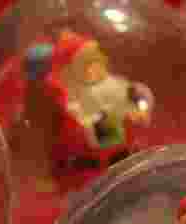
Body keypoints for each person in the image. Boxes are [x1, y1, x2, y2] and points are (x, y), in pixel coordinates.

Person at [39, 30, 154, 183]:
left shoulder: (113, 83)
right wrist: (118, 119)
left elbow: (136, 95)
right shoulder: (76, 100)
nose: (97, 65)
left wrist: (139, 109)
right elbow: (87, 127)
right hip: (97, 163)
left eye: (97, 58)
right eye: (88, 63)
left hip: (126, 151)